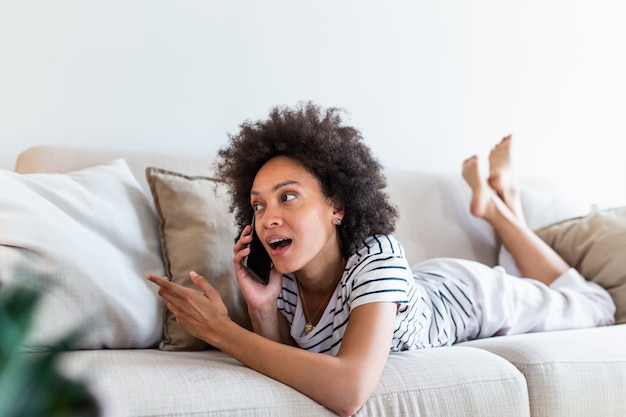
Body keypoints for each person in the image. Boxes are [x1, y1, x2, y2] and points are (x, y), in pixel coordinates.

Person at [146, 103, 615, 417]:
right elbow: (285, 360)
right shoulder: (282, 278)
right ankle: (499, 200)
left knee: (594, 304)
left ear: (337, 206)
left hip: (469, 296)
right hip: (416, 286)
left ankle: (497, 209)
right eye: (259, 204)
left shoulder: (377, 256)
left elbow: (348, 391)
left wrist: (220, 330)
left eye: (288, 197)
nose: (268, 217)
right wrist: (263, 308)